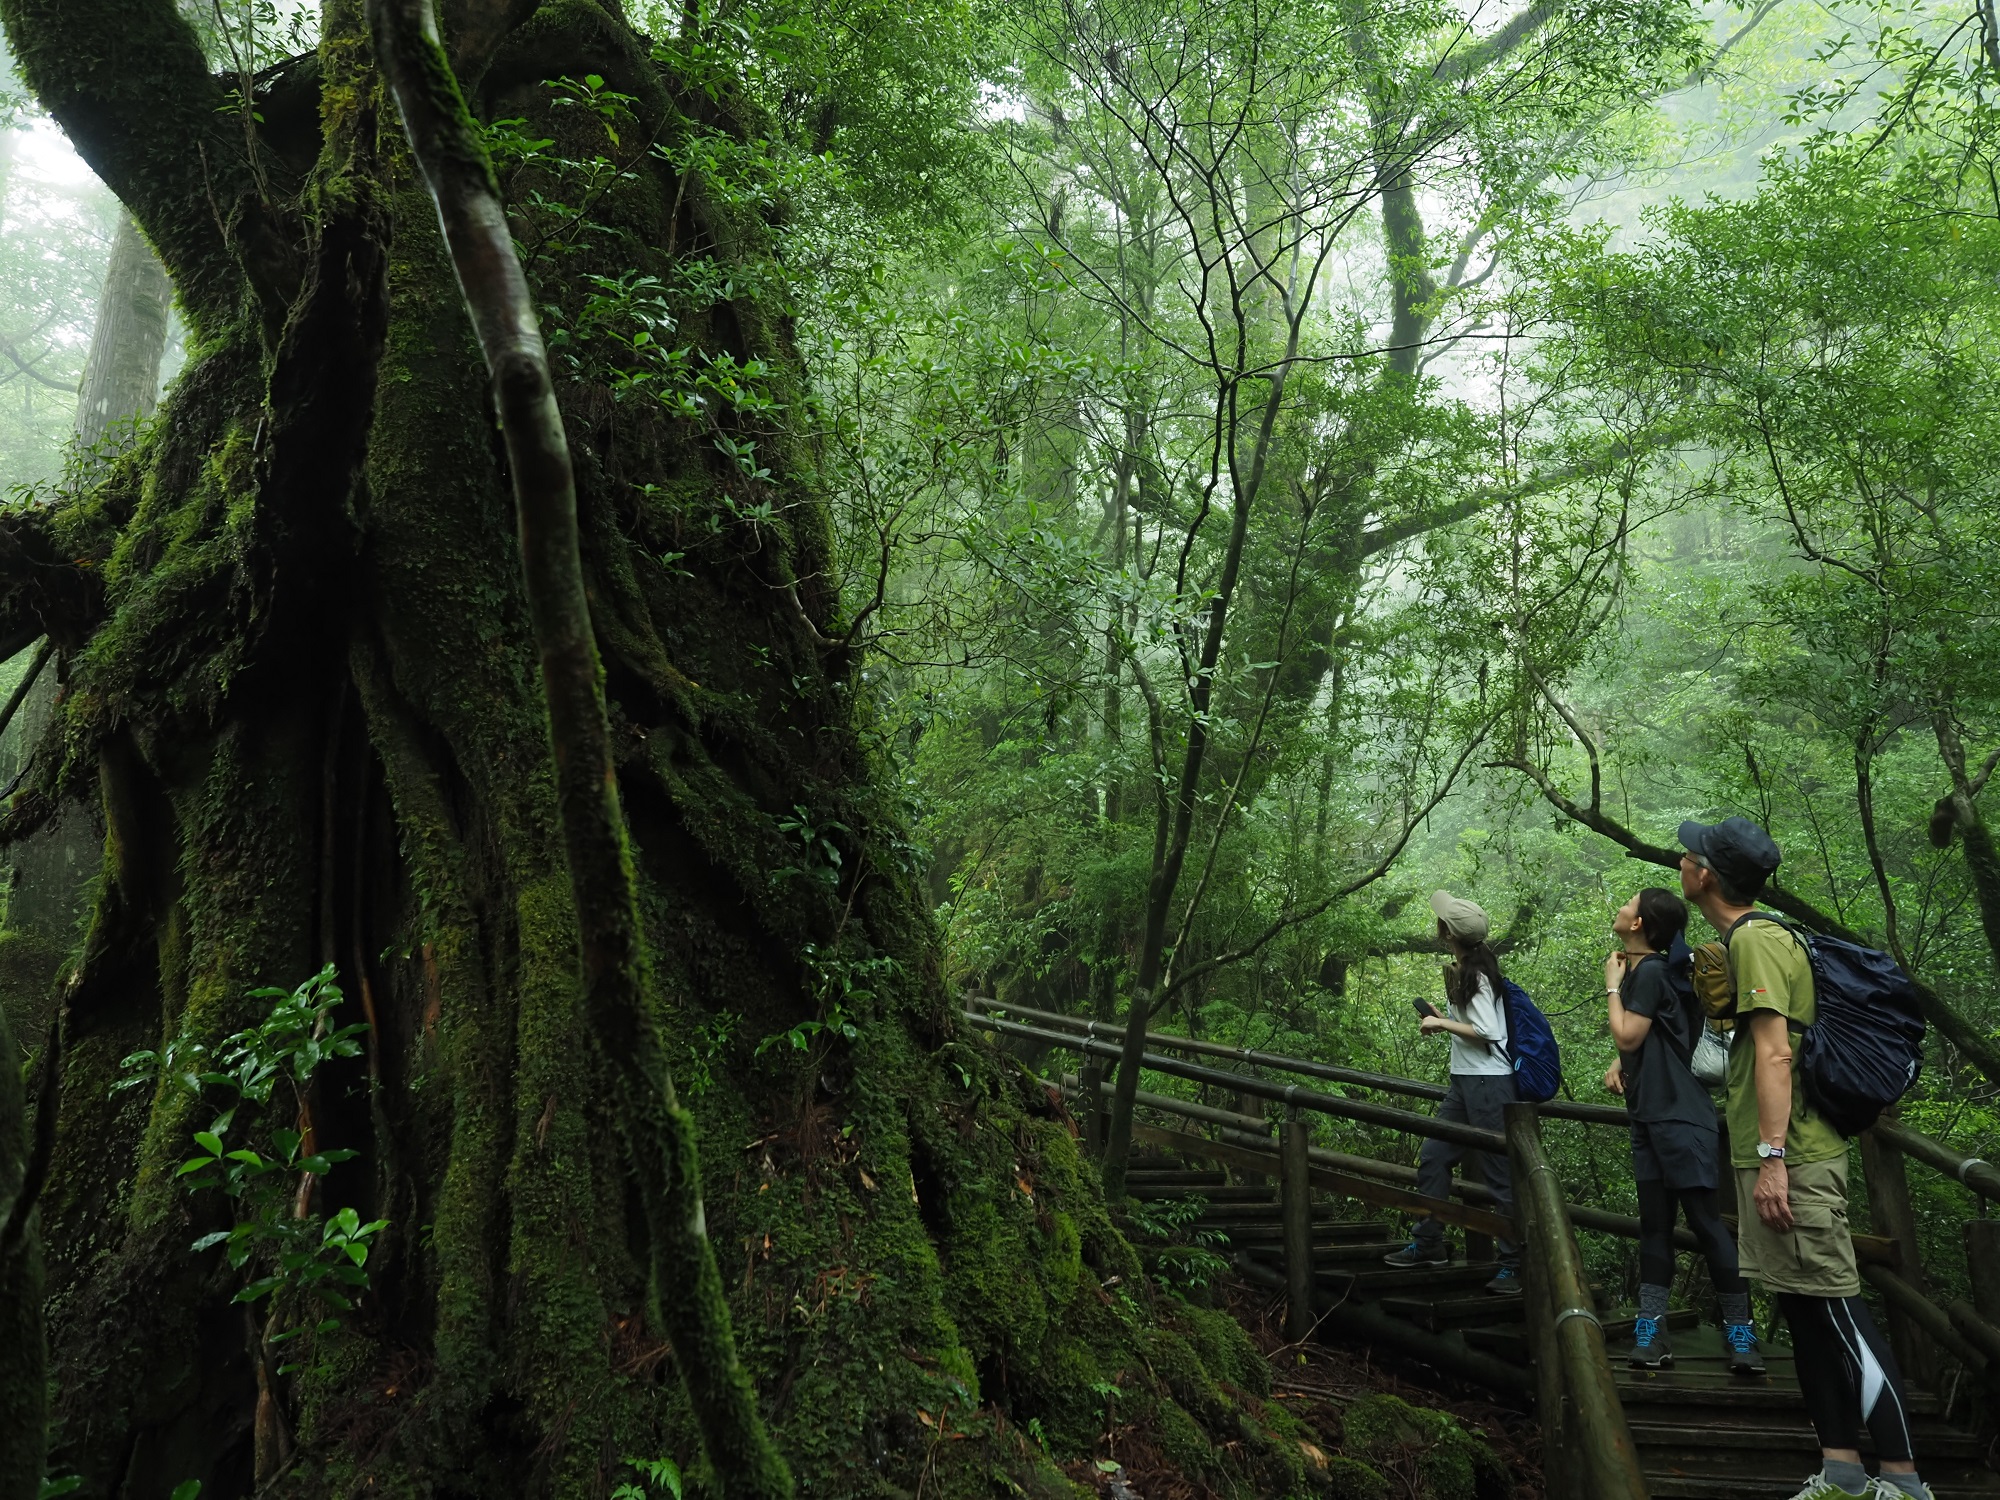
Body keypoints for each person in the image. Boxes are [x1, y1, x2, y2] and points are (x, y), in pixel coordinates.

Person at [1680, 816, 1930, 1500]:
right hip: (1777, 1155)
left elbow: (1776, 1053)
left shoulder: (1758, 940)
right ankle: (1843, 1471)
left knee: (1838, 1310)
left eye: (1689, 852)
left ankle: (1905, 1481)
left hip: (1796, 1158)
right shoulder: (1742, 940)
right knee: (1804, 1313)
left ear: (1706, 874)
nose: (1681, 857)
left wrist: (1771, 1159)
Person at [1601, 886, 1762, 1373]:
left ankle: (1741, 1335)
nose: (1621, 906)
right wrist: (1621, 1060)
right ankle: (1653, 1330)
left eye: (1628, 904)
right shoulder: (1660, 969)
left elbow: (1629, 1030)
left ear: (1640, 925)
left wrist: (1611, 986)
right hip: (1650, 1116)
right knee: (1655, 1227)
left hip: (1678, 1117)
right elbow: (1662, 1033)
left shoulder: (1645, 970)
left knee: (1706, 1224)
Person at [1383, 890, 1521, 1296]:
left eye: (1441, 921)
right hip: (1466, 1081)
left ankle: (1514, 1264)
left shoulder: (1476, 974)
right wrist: (1447, 1019)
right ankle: (1429, 1243)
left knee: (1499, 1177)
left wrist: (1443, 1026)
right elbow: (1476, 1025)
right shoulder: (1470, 967)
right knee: (1433, 1157)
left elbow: (1488, 1033)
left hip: (1488, 1084)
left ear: (1448, 932)